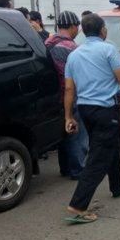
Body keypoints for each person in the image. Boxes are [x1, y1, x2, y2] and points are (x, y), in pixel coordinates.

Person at [63, 14, 120, 223]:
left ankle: (117, 186)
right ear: (103, 30)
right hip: (105, 110)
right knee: (98, 157)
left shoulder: (74, 55)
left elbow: (69, 88)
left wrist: (68, 116)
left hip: (86, 109)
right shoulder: (108, 49)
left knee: (111, 147)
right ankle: (78, 206)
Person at [46, 11, 88, 180]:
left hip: (54, 97)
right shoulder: (71, 48)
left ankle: (65, 168)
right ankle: (78, 169)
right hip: (71, 96)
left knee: (64, 132)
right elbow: (74, 79)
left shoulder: (48, 42)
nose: (78, 29)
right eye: (77, 26)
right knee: (77, 134)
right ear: (72, 27)